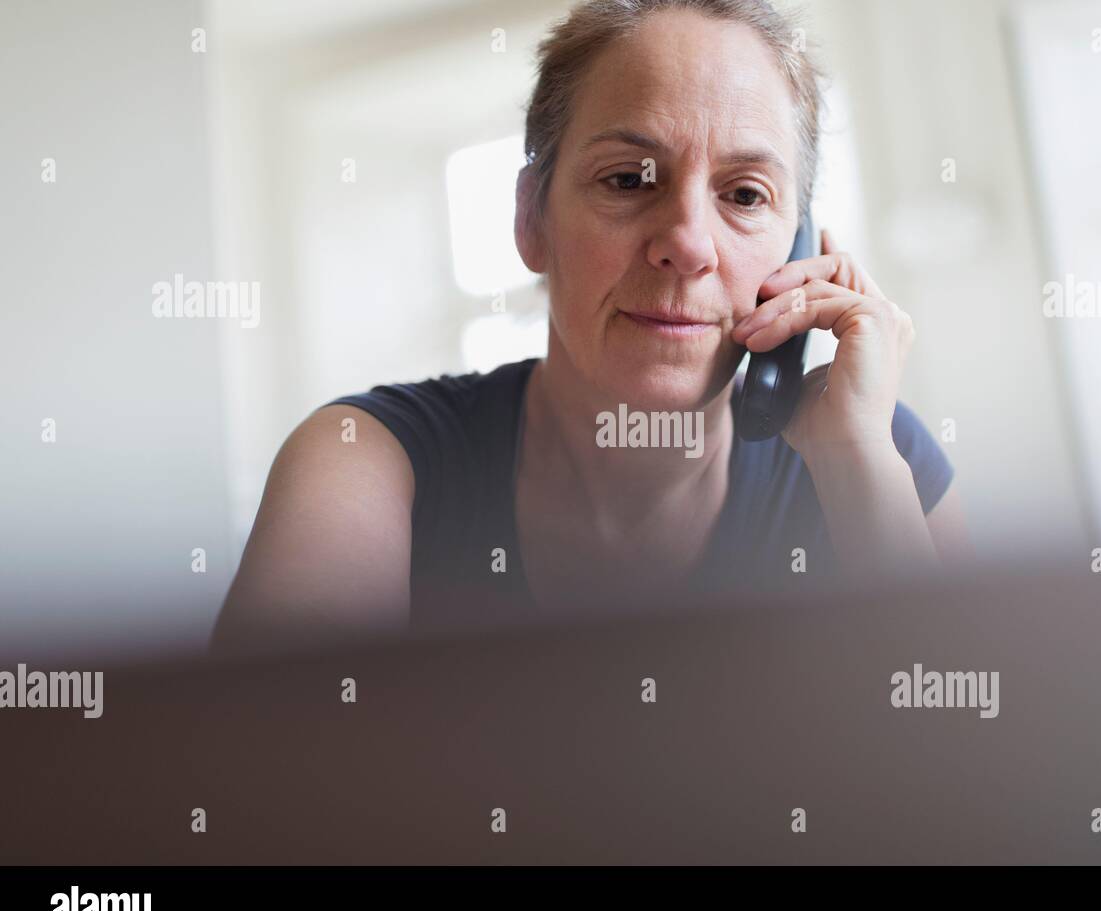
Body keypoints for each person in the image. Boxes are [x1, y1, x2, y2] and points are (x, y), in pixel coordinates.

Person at [211, 0, 971, 648]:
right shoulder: (371, 463)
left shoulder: (878, 456)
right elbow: (269, 789)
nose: (688, 244)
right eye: (626, 179)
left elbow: (972, 783)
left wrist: (857, 465)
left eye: (744, 196)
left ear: (801, 250)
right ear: (530, 218)